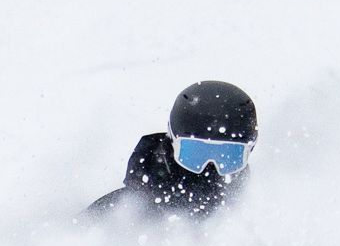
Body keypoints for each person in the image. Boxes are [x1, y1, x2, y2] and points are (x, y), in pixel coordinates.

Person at [86, 80, 258, 219]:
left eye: (228, 156)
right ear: (171, 142)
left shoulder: (255, 221)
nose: (209, 168)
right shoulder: (118, 217)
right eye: (194, 153)